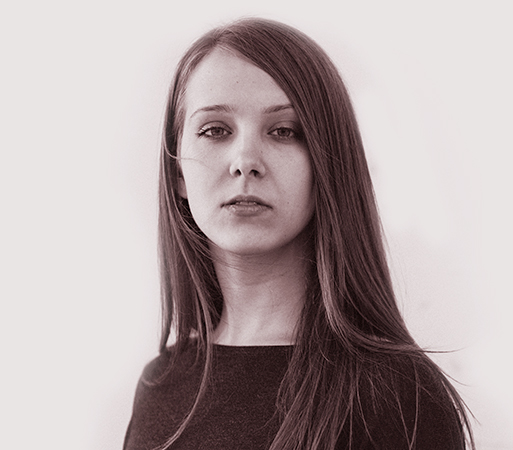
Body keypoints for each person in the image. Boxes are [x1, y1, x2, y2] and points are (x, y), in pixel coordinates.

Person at [123, 17, 474, 450]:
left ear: (327, 166)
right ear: (178, 172)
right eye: (215, 130)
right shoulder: (160, 384)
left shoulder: (398, 397)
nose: (245, 161)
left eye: (283, 132)